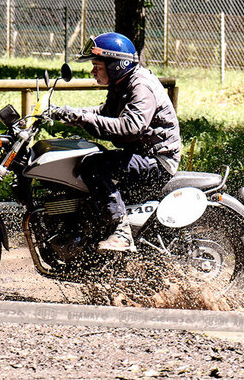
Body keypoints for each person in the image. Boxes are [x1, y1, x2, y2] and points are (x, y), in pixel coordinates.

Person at [50, 32, 181, 252]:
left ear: (116, 66)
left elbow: (131, 126)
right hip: (141, 155)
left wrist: (84, 118)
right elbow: (104, 112)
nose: (93, 71)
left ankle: (122, 232)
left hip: (157, 160)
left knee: (93, 166)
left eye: (97, 66)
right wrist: (70, 113)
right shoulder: (122, 84)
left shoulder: (140, 86)